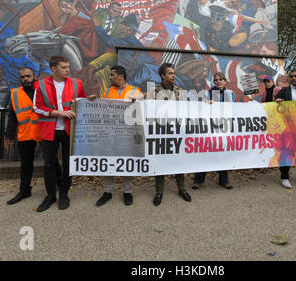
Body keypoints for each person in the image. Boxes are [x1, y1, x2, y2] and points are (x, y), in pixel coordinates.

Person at [33, 55, 95, 212]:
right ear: (54, 69)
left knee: (68, 163)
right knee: (49, 164)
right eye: (64, 67)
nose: (68, 69)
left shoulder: (76, 83)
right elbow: (37, 108)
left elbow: (80, 102)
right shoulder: (40, 85)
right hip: (49, 130)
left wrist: (89, 100)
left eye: (68, 67)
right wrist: (59, 113)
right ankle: (50, 195)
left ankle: (64, 194)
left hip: (69, 130)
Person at [94, 65, 143, 207]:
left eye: (111, 75)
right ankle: (107, 192)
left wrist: (138, 100)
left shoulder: (135, 91)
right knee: (109, 160)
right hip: (110, 133)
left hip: (127, 133)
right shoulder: (107, 91)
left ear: (120, 76)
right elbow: (102, 108)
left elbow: (141, 106)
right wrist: (93, 101)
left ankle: (127, 192)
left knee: (127, 162)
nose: (109, 77)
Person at [147, 63, 192, 206]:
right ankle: (159, 191)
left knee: (178, 160)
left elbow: (184, 109)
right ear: (163, 76)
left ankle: (181, 188)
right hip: (160, 130)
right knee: (160, 161)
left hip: (176, 131)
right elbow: (149, 109)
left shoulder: (179, 90)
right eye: (170, 73)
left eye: (174, 73)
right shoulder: (153, 91)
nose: (174, 76)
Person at [192, 72, 234, 190]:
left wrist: (217, 105)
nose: (218, 81)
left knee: (223, 154)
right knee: (205, 153)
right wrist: (206, 104)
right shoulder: (207, 93)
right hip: (210, 127)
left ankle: (224, 180)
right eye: (216, 80)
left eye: (221, 79)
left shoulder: (230, 94)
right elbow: (201, 108)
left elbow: (233, 108)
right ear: (213, 82)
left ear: (225, 81)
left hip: (224, 127)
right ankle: (198, 180)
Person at [5, 67, 41, 204]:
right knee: (26, 164)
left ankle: (57, 185)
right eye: (22, 77)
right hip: (25, 133)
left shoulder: (42, 90)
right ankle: (24, 190)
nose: (25, 79)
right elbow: (12, 116)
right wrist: (9, 134)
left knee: (51, 161)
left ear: (34, 76)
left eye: (28, 76)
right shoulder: (15, 93)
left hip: (42, 131)